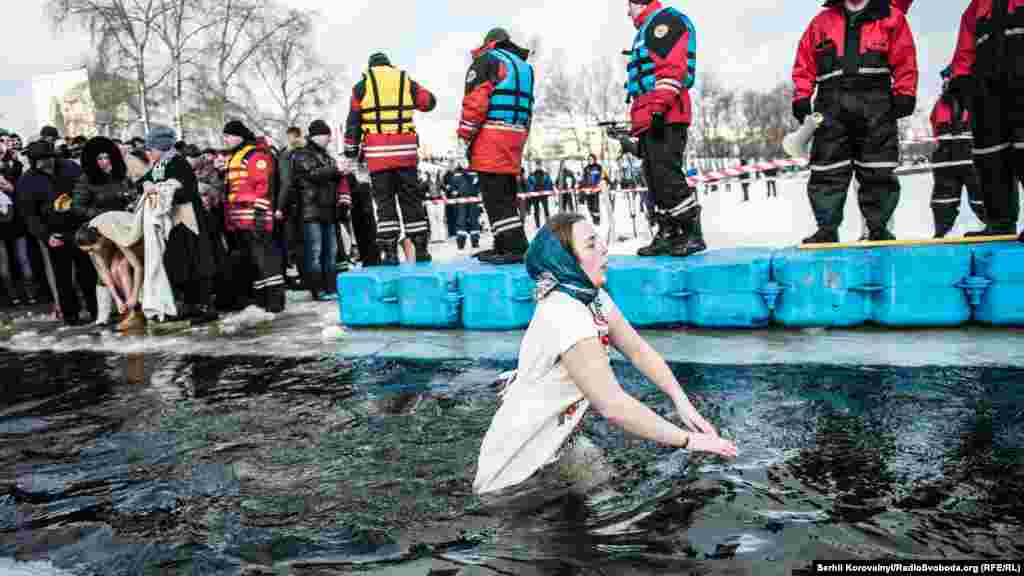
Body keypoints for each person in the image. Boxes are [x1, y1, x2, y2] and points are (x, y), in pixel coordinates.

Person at [473, 212, 737, 507]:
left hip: (563, 442)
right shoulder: (566, 315)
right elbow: (613, 405)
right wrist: (690, 441)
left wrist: (680, 399)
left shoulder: (589, 297)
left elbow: (638, 350)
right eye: (589, 244)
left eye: (598, 239)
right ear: (566, 261)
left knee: (612, 509)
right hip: (515, 473)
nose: (603, 248)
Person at [792, 0, 918, 244]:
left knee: (878, 168)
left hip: (876, 105)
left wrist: (905, 92)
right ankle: (826, 229)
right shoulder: (821, 22)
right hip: (830, 105)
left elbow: (905, 58)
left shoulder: (890, 17)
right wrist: (801, 96)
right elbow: (804, 63)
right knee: (827, 169)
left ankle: (878, 228)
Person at [625, 0, 706, 258]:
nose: (628, 12)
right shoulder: (646, 28)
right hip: (649, 113)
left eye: (629, 6)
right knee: (654, 177)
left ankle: (691, 231)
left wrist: (659, 108)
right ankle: (668, 232)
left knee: (666, 173)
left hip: (665, 112)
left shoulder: (663, 22)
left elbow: (672, 67)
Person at [344, 52, 437, 264]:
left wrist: (351, 151)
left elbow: (353, 122)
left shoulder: (361, 86)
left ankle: (390, 253)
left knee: (384, 202)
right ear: (389, 64)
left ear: (370, 66)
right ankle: (421, 250)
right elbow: (428, 103)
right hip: (405, 152)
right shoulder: (406, 81)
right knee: (411, 200)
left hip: (378, 155)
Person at [457, 28, 535, 265]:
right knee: (506, 192)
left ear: (489, 43)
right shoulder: (523, 67)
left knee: (494, 195)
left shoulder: (488, 60)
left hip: (491, 134)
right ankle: (503, 244)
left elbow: (476, 102)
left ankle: (514, 246)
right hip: (516, 134)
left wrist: (464, 136)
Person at [948, 0, 1024, 241]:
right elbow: (964, 53)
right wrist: (960, 81)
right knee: (990, 158)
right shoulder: (975, 10)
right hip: (987, 94)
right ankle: (1000, 222)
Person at [139, 125, 219, 322]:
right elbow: (145, 180)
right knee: (179, 263)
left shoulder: (178, 163)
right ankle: (189, 303)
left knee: (197, 262)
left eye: (151, 149)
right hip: (173, 221)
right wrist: (146, 184)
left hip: (189, 219)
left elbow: (187, 192)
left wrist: (163, 190)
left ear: (161, 147)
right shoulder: (158, 165)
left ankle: (206, 306)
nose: (149, 153)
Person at [17, 140, 96, 325]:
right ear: (33, 161)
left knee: (87, 272)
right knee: (62, 277)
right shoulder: (27, 180)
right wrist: (45, 236)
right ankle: (71, 316)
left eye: (48, 158)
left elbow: (86, 189)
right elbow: (30, 215)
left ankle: (95, 310)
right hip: (54, 233)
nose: (46, 163)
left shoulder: (70, 167)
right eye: (41, 160)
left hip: (79, 228)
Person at [221, 120, 285, 312]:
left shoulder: (254, 155)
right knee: (254, 261)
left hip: (255, 216)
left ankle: (275, 301)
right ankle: (262, 300)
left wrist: (259, 214)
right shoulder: (235, 156)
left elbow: (263, 186)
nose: (225, 140)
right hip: (240, 219)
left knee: (266, 259)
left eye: (228, 136)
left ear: (239, 136)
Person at [930, 66, 985, 238]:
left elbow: (935, 127)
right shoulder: (972, 100)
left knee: (977, 194)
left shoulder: (942, 104)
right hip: (958, 159)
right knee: (947, 198)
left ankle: (941, 232)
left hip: (958, 158)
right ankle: (941, 232)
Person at [291, 120, 343, 298]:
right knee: (315, 252)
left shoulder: (325, 156)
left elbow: (329, 175)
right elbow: (313, 174)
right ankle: (318, 289)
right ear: (318, 136)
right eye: (328, 135)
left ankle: (331, 287)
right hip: (311, 210)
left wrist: (339, 172)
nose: (330, 139)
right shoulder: (302, 154)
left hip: (327, 209)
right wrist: (336, 170)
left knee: (331, 252)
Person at [75, 218, 144, 331]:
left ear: (99, 239)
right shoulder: (92, 241)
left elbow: (137, 267)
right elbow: (104, 273)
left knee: (121, 266)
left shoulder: (112, 232)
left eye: (91, 249)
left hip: (138, 237)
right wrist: (117, 299)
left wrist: (134, 296)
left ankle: (134, 312)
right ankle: (130, 311)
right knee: (113, 269)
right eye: (87, 251)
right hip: (117, 242)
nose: (90, 253)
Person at [526, 164, 553, 230]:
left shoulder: (545, 175)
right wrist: (532, 190)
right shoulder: (531, 175)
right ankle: (537, 225)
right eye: (537, 165)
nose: (538, 167)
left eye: (539, 165)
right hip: (535, 196)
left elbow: (549, 183)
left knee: (546, 209)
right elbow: (529, 185)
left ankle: (548, 223)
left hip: (544, 195)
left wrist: (547, 191)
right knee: (536, 210)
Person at [581, 155, 604, 226]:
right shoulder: (586, 168)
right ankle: (593, 217)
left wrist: (598, 186)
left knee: (595, 206)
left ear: (594, 159)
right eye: (589, 159)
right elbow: (584, 179)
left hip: (595, 189)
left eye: (591, 159)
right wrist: (582, 187)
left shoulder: (598, 167)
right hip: (588, 189)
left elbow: (600, 177)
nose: (590, 160)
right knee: (589, 207)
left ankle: (597, 220)